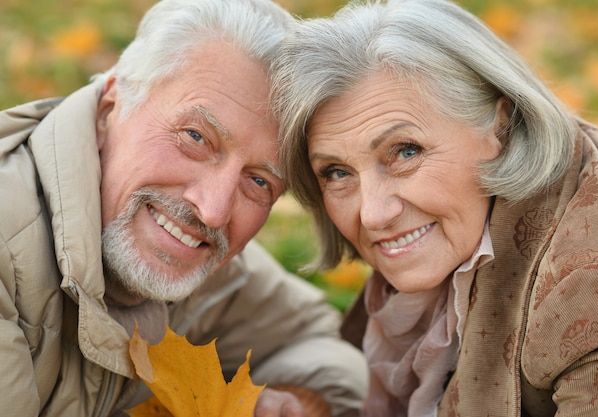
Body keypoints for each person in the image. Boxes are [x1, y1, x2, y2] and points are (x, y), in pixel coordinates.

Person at [0, 0, 369, 416]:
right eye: (195, 137)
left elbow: (321, 340)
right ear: (109, 109)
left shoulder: (210, 267)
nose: (212, 211)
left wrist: (293, 400)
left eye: (260, 181)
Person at [271, 0, 598, 415]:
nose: (372, 214)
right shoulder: (465, 222)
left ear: (500, 126)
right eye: (336, 172)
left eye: (404, 151)